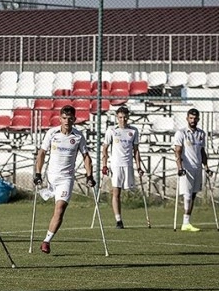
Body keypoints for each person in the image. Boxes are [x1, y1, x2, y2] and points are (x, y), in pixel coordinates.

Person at [33, 105, 95, 254]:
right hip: (51, 176)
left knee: (60, 209)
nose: (67, 121)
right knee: (54, 203)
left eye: (70, 118)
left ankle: (46, 241)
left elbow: (86, 156)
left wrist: (89, 175)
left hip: (66, 178)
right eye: (64, 118)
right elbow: (42, 153)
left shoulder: (78, 136)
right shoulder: (52, 133)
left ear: (74, 119)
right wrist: (38, 173)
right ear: (60, 119)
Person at [101, 106, 144, 229]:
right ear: (117, 117)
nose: (122, 120)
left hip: (128, 165)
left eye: (125, 117)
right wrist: (104, 165)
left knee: (129, 191)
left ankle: (131, 214)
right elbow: (105, 148)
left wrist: (139, 167)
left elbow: (136, 150)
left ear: (128, 117)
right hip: (116, 165)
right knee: (116, 192)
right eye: (120, 117)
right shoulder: (112, 130)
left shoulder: (133, 131)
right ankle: (118, 220)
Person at [173, 108, 213, 232]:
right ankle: (185, 223)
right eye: (191, 118)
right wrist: (180, 167)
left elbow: (202, 151)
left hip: (197, 168)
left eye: (195, 118)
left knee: (194, 194)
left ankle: (187, 221)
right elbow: (177, 151)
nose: (193, 120)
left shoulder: (201, 134)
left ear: (198, 119)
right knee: (187, 195)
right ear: (187, 118)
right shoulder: (181, 133)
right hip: (187, 168)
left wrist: (206, 167)